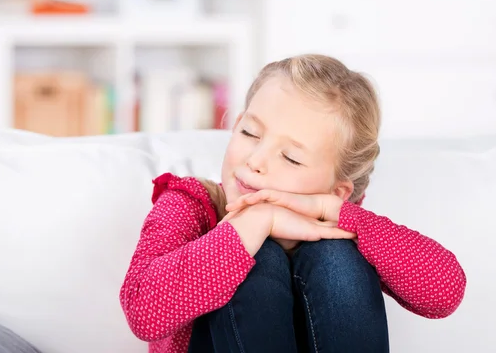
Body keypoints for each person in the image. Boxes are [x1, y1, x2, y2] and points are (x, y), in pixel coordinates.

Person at [119, 54, 467, 353]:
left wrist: (340, 216)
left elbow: (445, 292)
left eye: (290, 157)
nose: (256, 159)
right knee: (259, 256)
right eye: (250, 133)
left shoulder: (343, 225)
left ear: (337, 191)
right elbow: (143, 312)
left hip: (332, 241)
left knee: (334, 254)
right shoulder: (191, 205)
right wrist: (254, 224)